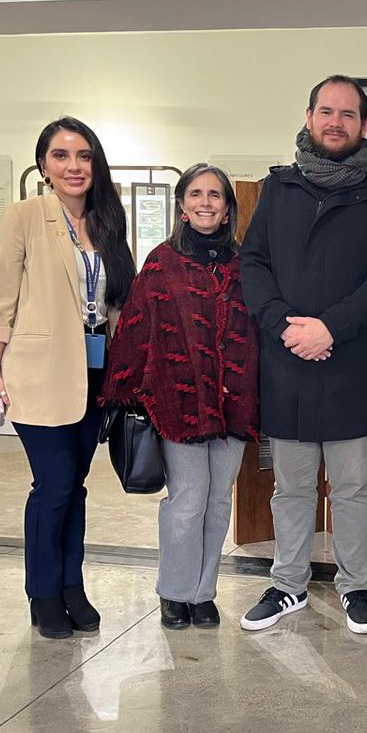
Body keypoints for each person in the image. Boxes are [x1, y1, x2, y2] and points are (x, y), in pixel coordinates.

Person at [239, 75, 367, 635]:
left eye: (348, 113)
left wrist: (330, 327)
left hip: (350, 362)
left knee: (355, 488)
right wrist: (284, 326)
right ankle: (288, 585)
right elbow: (254, 265)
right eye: (327, 111)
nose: (336, 121)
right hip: (286, 361)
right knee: (291, 487)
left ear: (364, 125)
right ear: (309, 116)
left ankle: (355, 585)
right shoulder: (279, 188)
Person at [0, 116, 136, 639]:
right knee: (54, 486)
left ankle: (73, 586)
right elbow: (2, 298)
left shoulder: (108, 221)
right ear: (43, 165)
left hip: (96, 377)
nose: (74, 166)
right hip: (40, 374)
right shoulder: (23, 216)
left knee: (78, 487)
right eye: (61, 156)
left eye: (84, 156)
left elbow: (116, 303)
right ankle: (43, 592)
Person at [100, 163, 260, 629]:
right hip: (179, 403)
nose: (205, 202)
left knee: (218, 502)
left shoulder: (244, 265)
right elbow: (136, 328)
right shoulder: (161, 261)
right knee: (188, 499)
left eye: (215, 195)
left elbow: (258, 329)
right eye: (196, 194)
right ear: (182, 205)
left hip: (235, 397)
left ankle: (203, 593)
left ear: (228, 209)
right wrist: (126, 391)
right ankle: (175, 592)